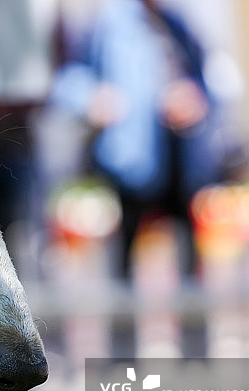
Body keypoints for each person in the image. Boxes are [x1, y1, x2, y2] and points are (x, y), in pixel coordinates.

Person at [49, 0, 236, 278]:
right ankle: (123, 322)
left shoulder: (178, 23)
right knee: (122, 271)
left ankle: (192, 322)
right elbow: (66, 81)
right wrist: (93, 99)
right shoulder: (106, 21)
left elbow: (207, 84)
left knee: (191, 270)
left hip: (181, 165)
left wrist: (195, 99)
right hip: (128, 165)